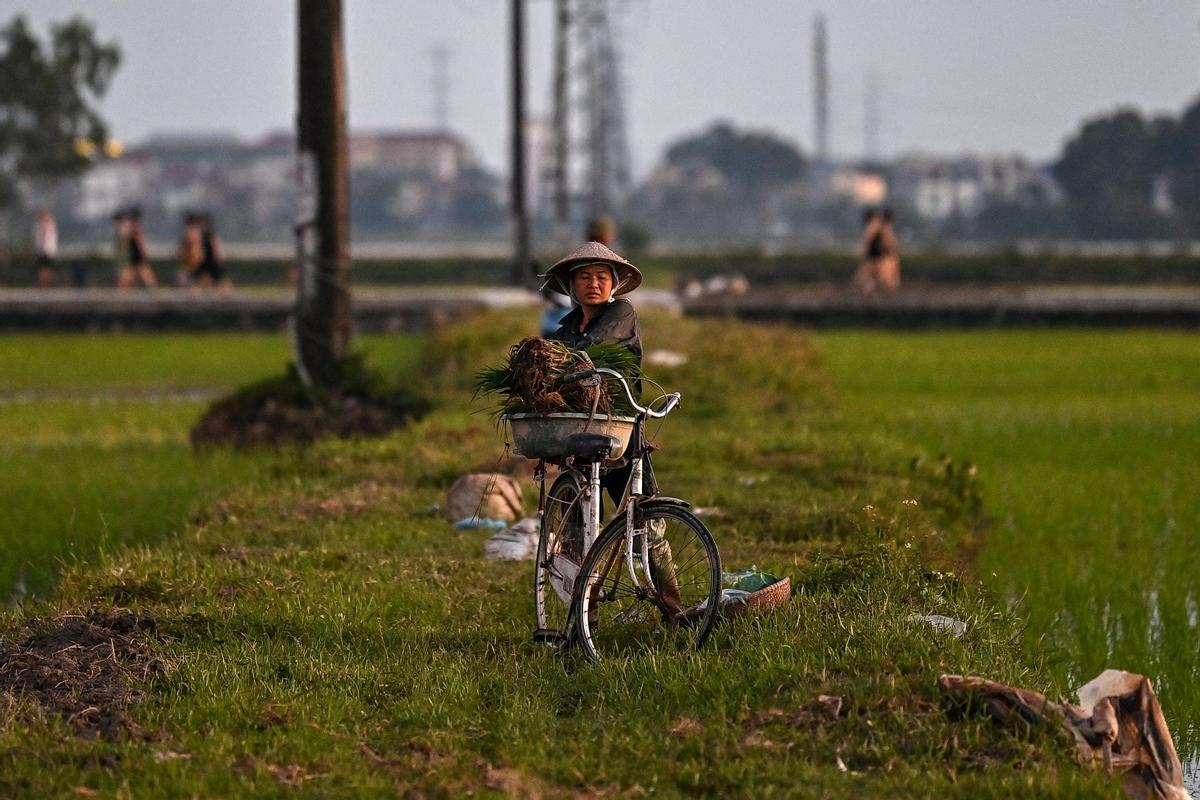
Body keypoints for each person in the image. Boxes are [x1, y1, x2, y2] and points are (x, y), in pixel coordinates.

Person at [541, 241, 682, 616]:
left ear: (614, 284)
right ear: (572, 285)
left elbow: (589, 349)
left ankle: (675, 610)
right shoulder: (566, 326)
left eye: (602, 277)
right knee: (579, 531)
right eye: (585, 277)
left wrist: (558, 362)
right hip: (579, 432)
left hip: (621, 433)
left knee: (647, 524)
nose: (594, 284)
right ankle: (581, 612)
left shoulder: (622, 313)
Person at [117, 207, 158, 289]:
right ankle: (121, 294)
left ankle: (155, 293)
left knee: (145, 276)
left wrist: (143, 252)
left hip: (137, 255)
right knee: (128, 278)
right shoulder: (133, 227)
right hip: (134, 255)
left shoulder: (134, 228)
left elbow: (138, 242)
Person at [194, 214, 230, 290]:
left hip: (211, 261)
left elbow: (215, 247)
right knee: (202, 280)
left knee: (219, 280)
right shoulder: (200, 235)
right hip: (204, 261)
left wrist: (218, 257)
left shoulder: (209, 235)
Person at [852, 208, 883, 292]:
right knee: (867, 270)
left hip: (875, 251)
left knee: (872, 270)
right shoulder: (873, 226)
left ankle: (868, 285)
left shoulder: (875, 225)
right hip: (873, 252)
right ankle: (860, 284)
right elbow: (867, 240)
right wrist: (863, 249)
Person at [877, 208, 901, 292]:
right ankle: (887, 288)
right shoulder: (884, 228)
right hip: (887, 254)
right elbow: (885, 242)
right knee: (886, 273)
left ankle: (890, 288)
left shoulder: (886, 227)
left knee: (890, 273)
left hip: (889, 253)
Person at [34, 208, 58, 288]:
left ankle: (45, 285)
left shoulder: (46, 224)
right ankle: (45, 285)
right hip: (47, 250)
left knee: (44, 269)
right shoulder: (49, 224)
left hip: (45, 250)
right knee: (46, 268)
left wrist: (43, 249)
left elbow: (45, 238)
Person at [178, 213, 202, 287]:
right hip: (194, 260)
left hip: (192, 261)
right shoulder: (197, 232)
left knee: (182, 276)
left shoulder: (190, 233)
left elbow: (187, 245)